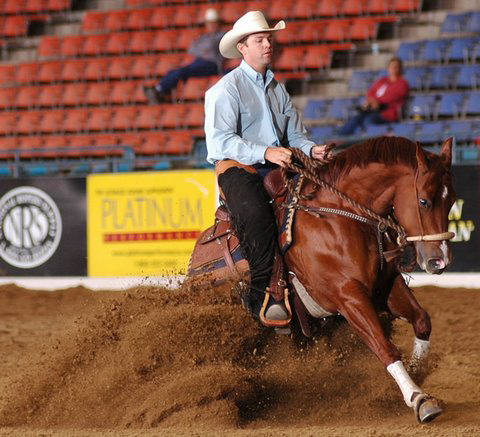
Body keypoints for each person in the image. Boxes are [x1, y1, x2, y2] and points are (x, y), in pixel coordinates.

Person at [204, 11, 330, 327]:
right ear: (242, 48)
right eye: (259, 40)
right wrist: (265, 151)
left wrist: (311, 149)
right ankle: (266, 295)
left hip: (278, 164)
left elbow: (295, 135)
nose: (267, 44)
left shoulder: (277, 89)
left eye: (269, 39)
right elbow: (220, 142)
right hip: (238, 169)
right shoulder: (226, 89)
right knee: (258, 217)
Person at [143, 8, 225, 103]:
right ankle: (161, 91)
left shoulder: (221, 35)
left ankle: (159, 90)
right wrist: (205, 50)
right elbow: (193, 49)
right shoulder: (204, 37)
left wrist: (203, 49)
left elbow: (208, 47)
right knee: (174, 71)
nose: (211, 25)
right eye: (209, 23)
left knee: (182, 71)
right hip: (200, 62)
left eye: (213, 23)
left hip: (212, 64)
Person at [339, 57, 409, 136]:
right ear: (388, 68)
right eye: (391, 66)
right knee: (355, 119)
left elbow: (392, 97)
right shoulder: (382, 80)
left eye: (396, 66)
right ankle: (338, 140)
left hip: (388, 113)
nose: (393, 69)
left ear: (400, 68)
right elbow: (370, 93)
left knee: (368, 121)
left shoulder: (402, 83)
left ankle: (371, 144)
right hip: (372, 110)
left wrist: (376, 102)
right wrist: (372, 101)